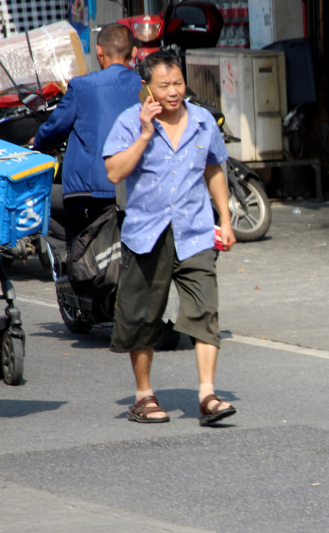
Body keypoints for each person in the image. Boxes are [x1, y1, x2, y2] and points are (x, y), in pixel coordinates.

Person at [103, 51, 237, 425]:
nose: (174, 91)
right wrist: (146, 134)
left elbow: (213, 169)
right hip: (147, 234)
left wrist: (225, 218)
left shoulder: (203, 120)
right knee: (143, 317)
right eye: (165, 85)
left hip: (195, 233)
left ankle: (207, 395)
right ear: (147, 86)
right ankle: (144, 396)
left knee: (204, 311)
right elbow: (115, 172)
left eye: (178, 83)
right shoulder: (130, 122)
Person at [33, 23, 141, 241]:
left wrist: (38, 142)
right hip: (136, 187)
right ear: (133, 52)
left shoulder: (82, 86)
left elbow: (53, 129)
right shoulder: (145, 86)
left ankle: (74, 257)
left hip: (90, 193)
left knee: (36, 199)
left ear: (99, 51)